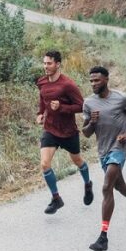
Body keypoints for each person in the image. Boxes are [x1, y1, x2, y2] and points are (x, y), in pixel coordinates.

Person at [82, 66, 126, 251]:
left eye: (97, 80)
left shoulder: (121, 98)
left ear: (106, 79)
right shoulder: (88, 103)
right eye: (91, 81)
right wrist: (92, 122)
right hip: (103, 151)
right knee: (119, 186)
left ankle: (103, 237)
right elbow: (86, 133)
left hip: (119, 148)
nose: (94, 84)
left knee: (106, 187)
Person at [36, 50, 93, 214]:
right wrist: (40, 113)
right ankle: (56, 198)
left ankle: (88, 184)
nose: (46, 66)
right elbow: (43, 99)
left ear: (58, 64)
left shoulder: (68, 85)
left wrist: (62, 107)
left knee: (77, 161)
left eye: (49, 63)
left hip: (68, 131)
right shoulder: (42, 82)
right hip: (50, 129)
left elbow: (81, 106)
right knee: (44, 164)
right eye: (44, 63)